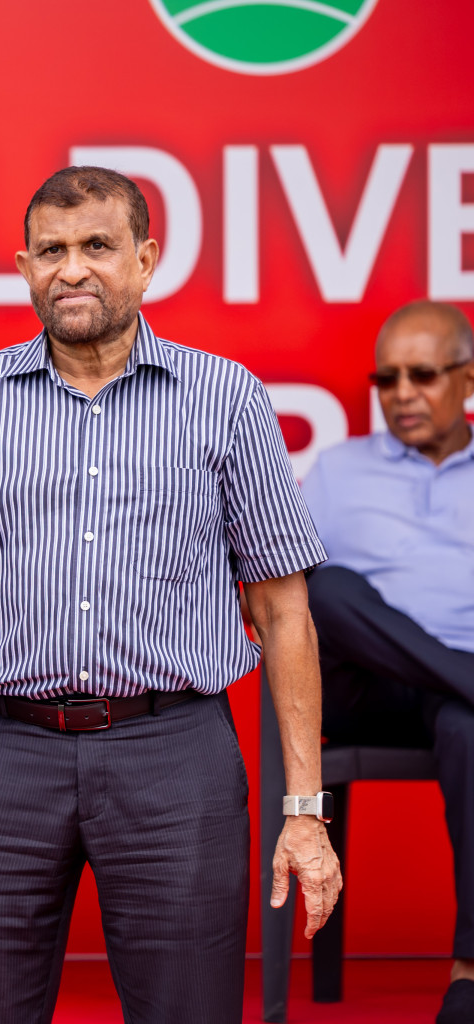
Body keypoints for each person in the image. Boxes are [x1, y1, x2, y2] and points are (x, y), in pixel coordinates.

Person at [0, 166, 344, 1023]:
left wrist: (304, 813)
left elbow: (282, 612)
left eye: (97, 247)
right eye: (51, 250)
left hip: (174, 757)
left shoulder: (225, 399)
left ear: (147, 259)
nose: (71, 270)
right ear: (23, 264)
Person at [299, 300, 474, 1024]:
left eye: (423, 375)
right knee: (327, 587)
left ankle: (467, 969)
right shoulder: (338, 471)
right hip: (362, 686)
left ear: (467, 380)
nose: (401, 393)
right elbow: (279, 597)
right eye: (387, 378)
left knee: (469, 725)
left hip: (451, 699)